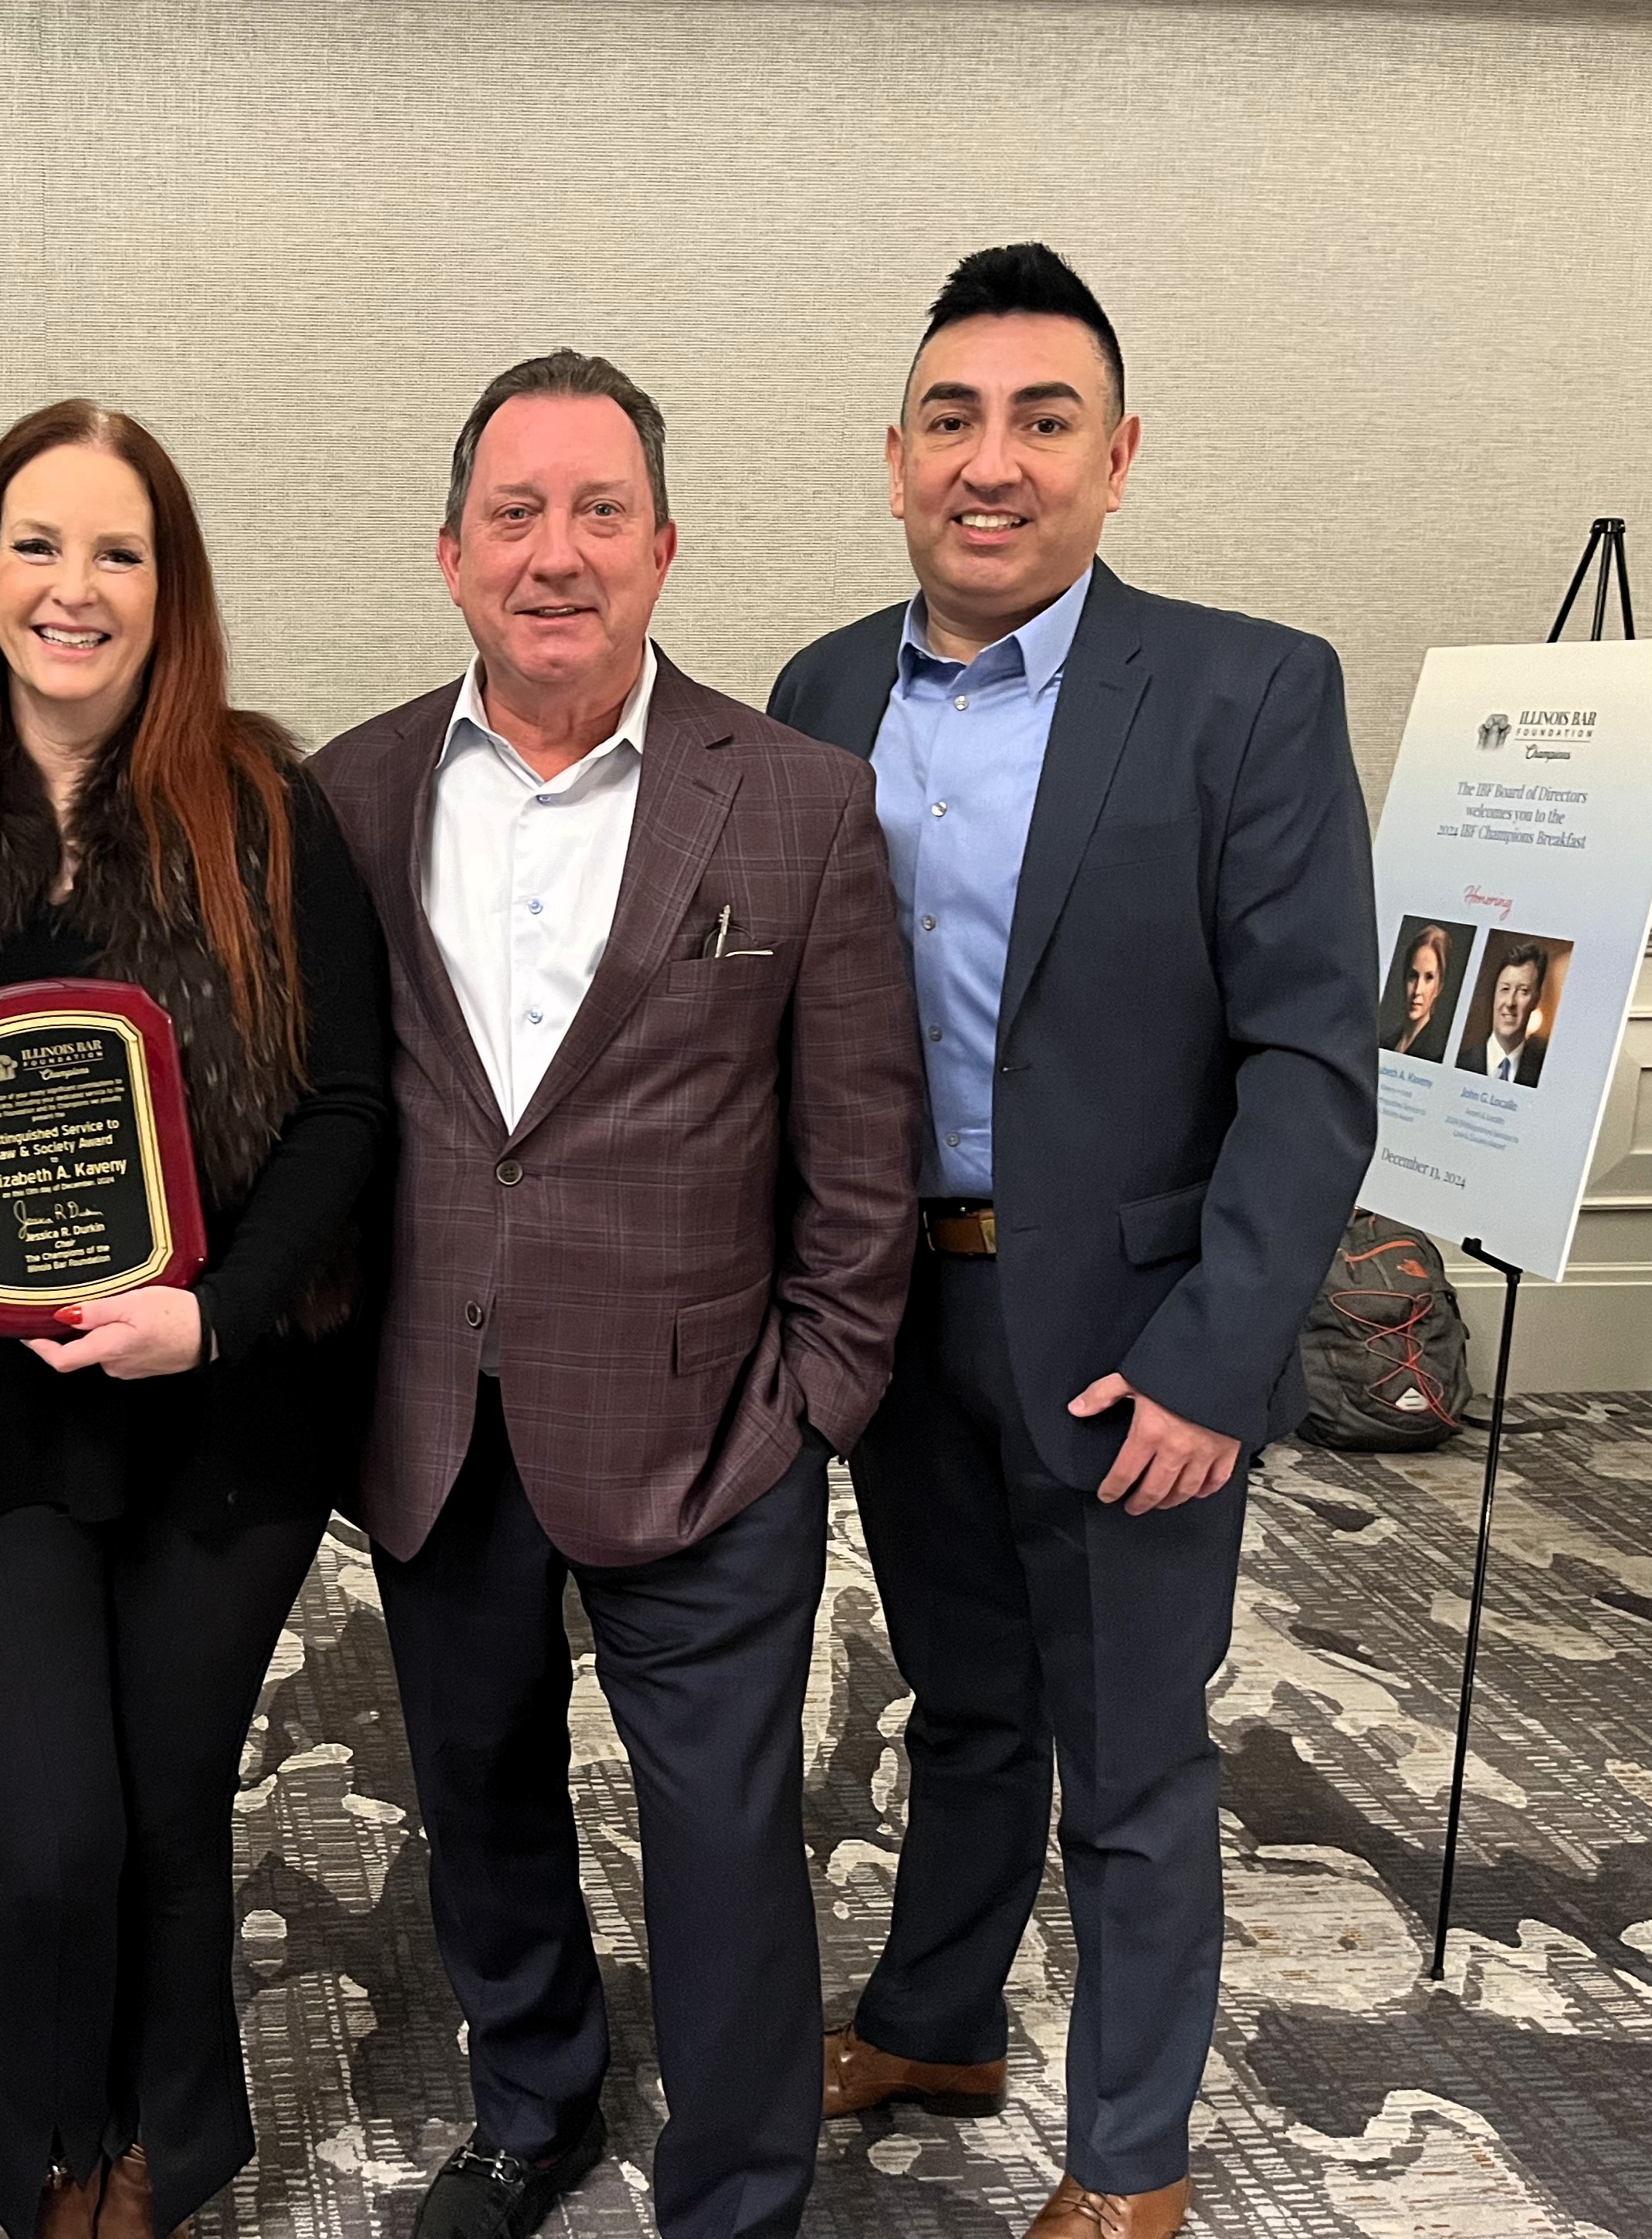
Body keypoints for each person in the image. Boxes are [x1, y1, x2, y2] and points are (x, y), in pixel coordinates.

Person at [767, 243, 1378, 2239]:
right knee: (958, 1704)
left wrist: (1217, 1354)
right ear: (893, 458)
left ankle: (1130, 2159)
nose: (992, 461)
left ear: (1116, 459)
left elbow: (1309, 1061)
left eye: (1044, 421)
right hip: (898, 1316)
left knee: (1128, 1761)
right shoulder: (821, 691)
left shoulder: (1244, 690)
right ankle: (937, 2021)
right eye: (951, 419)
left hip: (1132, 1337)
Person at [311, 352, 924, 2239]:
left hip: (710, 1422)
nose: (554, 554)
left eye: (598, 513)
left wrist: (816, 1394)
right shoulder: (349, 792)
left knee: (724, 1832)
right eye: (514, 514)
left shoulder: (798, 803)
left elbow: (861, 1143)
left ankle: (735, 2189)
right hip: (435, 1412)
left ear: (664, 549)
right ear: (448, 554)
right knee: (476, 1791)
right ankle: (533, 2100)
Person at [0, 400, 391, 2239]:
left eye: (117, 551)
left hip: (223, 1401)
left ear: (169, 587)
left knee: (165, 1819)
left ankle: (152, 2152)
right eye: (38, 545)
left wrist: (207, 1319)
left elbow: (348, 1111)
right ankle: (39, 2144)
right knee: (54, 1834)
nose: (74, 588)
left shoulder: (262, 807)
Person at [1457, 939, 1550, 1083]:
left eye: (1523, 991)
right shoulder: (1459, 1064)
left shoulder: (1545, 1074)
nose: (1510, 1002)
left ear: (1537, 999)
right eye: (1505, 989)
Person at [1386, 923, 1455, 1059]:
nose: (1417, 990)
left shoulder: (1437, 1053)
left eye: (1429, 978)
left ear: (1439, 986)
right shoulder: (1386, 1042)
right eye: (1413, 976)